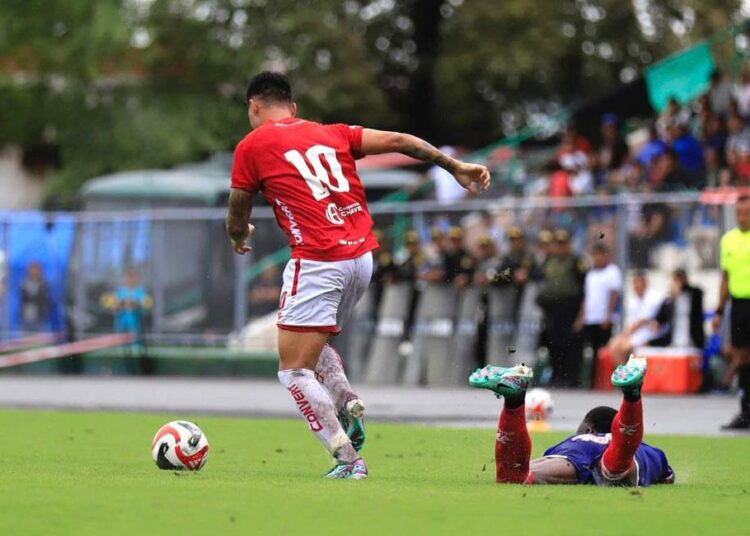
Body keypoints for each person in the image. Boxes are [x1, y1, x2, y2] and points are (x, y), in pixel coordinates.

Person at [225, 71, 490, 479]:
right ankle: (346, 399)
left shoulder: (251, 145)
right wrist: (454, 166)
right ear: (293, 108)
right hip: (361, 259)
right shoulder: (333, 133)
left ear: (253, 107)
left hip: (317, 260)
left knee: (292, 370)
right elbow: (403, 142)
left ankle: (347, 459)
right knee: (314, 346)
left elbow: (239, 204)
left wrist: (238, 234)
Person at [469, 356, 674, 486]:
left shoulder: (577, 441)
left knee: (513, 476)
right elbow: (668, 478)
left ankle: (514, 401)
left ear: (588, 429)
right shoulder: (653, 451)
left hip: (574, 456)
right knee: (615, 467)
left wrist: (517, 467)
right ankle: (632, 395)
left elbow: (529, 466)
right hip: (628, 454)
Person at [713, 195, 750, 430]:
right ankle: (745, 412)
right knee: (742, 360)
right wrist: (718, 310)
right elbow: (725, 278)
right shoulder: (728, 240)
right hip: (739, 305)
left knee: (745, 356)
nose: (742, 217)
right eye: (739, 213)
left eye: (746, 213)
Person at [536, 229, 588, 387]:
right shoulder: (549, 260)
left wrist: (581, 313)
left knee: (571, 343)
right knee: (554, 343)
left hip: (570, 306)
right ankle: (557, 375)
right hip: (553, 308)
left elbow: (584, 287)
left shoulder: (576, 261)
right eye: (557, 243)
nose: (560, 247)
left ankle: (571, 378)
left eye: (563, 243)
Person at [576, 244, 622, 380]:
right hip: (590, 318)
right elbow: (587, 297)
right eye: (594, 255)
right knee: (589, 351)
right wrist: (581, 317)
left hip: (603, 319)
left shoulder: (612, 271)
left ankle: (604, 380)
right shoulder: (590, 274)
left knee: (602, 352)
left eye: (599, 255)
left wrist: (608, 315)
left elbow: (614, 295)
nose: (597, 258)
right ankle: (590, 381)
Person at [608, 271, 663, 365]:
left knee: (624, 347)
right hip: (637, 334)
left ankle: (628, 373)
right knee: (614, 345)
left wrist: (624, 335)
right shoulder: (633, 300)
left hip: (651, 335)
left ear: (645, 283)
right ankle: (625, 372)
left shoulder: (653, 297)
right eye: (634, 283)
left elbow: (641, 322)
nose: (636, 286)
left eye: (638, 283)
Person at [650, 269, 704, 350]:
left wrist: (681, 290)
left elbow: (697, 294)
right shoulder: (670, 301)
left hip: (692, 341)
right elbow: (659, 320)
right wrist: (672, 297)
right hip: (674, 342)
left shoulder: (694, 295)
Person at [19, 262, 50, 333]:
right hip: (26, 317)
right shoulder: (23, 283)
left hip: (40, 318)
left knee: (39, 340)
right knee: (25, 341)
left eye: (35, 269)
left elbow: (45, 299)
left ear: (39, 271)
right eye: (31, 269)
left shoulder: (44, 284)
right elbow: (22, 298)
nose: (33, 272)